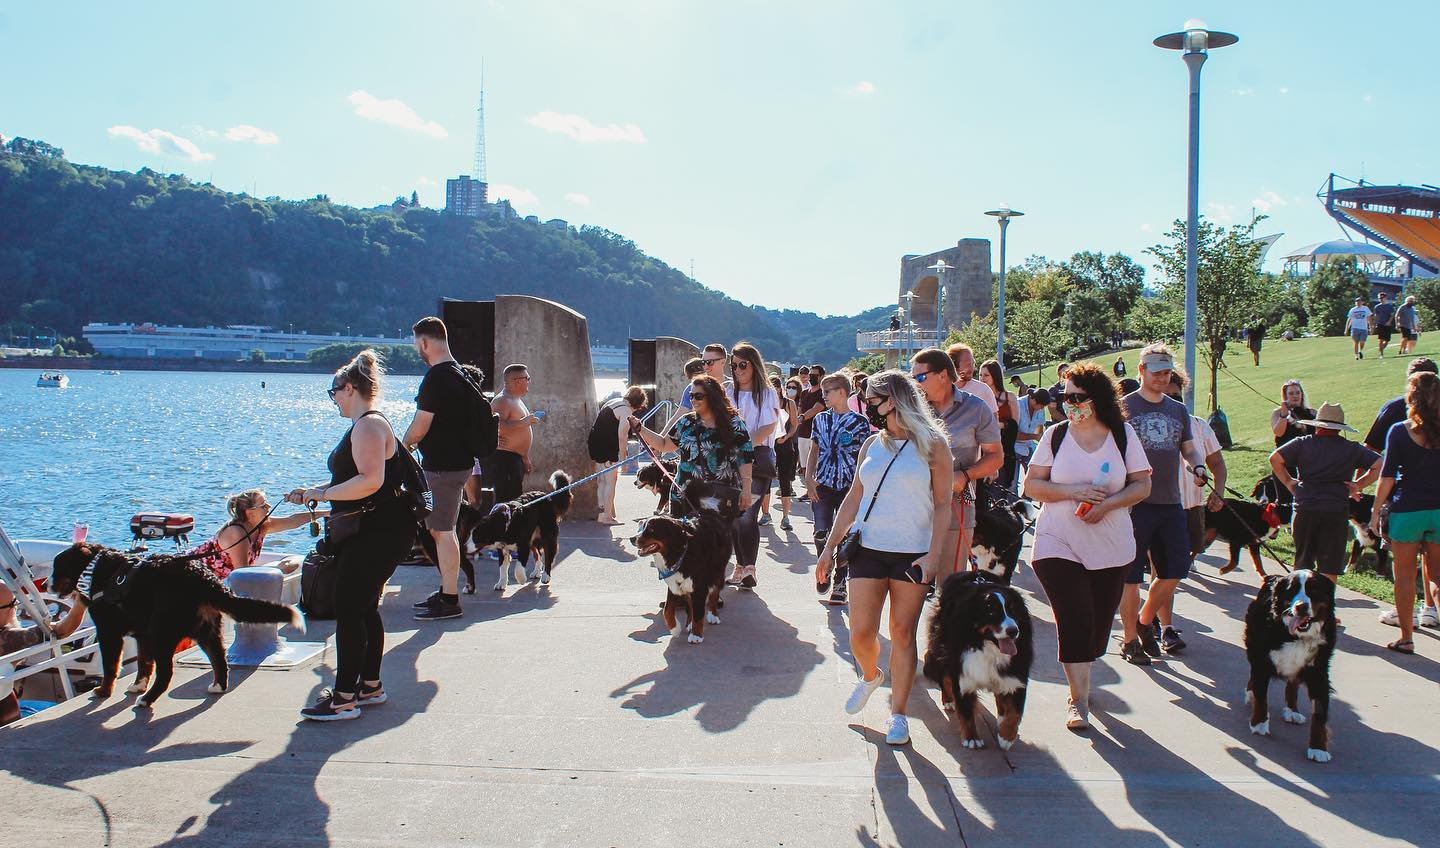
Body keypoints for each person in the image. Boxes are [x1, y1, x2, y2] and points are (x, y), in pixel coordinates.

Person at [814, 370, 953, 746]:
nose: (867, 405)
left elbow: (943, 504)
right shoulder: (872, 444)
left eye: (871, 398)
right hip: (869, 548)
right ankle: (872, 674)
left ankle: (899, 714)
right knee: (860, 632)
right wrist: (829, 547)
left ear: (892, 401)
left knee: (902, 634)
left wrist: (934, 555)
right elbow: (854, 498)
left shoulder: (933, 444)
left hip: (913, 554)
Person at [288, 350, 416, 720]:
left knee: (348, 608)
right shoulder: (370, 425)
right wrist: (314, 490)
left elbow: (371, 481)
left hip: (374, 532)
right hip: (380, 529)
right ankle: (369, 686)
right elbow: (364, 480)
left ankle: (344, 698)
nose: (333, 400)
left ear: (349, 388)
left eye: (333, 392)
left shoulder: (368, 426)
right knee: (362, 607)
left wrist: (322, 494)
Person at [1024, 361, 1152, 730]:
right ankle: (1077, 699)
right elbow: (1032, 486)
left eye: (1075, 397)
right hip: (1057, 541)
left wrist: (1107, 504)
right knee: (1074, 616)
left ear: (1095, 400)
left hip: (1111, 545)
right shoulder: (1056, 436)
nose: (1067, 403)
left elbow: (1142, 486)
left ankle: (1086, 667)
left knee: (1097, 626)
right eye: (1063, 396)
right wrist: (1071, 492)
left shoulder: (1122, 436)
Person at [1119, 344, 1207, 665]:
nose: (1161, 378)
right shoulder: (1124, 408)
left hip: (1170, 502)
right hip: (1134, 504)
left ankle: (1144, 622)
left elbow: (1190, 449)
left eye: (1167, 373)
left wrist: (1198, 466)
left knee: (1175, 570)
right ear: (1141, 370)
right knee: (1131, 577)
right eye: (1156, 372)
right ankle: (1130, 641)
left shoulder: (1177, 410)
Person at [404, 317, 476, 622]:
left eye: (417, 345)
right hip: (459, 463)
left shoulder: (436, 378)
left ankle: (450, 599)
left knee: (442, 532)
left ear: (424, 342)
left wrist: (401, 446)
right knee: (442, 530)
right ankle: (447, 591)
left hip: (443, 468)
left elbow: (420, 426)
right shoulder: (461, 374)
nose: (418, 351)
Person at [911, 348, 1003, 579]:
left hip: (957, 506)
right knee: (910, 588)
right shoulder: (911, 411)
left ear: (942, 375)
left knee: (949, 586)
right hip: (912, 506)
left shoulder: (977, 408)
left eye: (919, 377)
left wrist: (966, 475)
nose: (915, 384)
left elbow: (995, 456)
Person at [1364, 358, 1440, 628]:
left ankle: (1406, 637)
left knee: (1405, 575)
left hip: (1407, 509)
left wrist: (1374, 512)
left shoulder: (1399, 429)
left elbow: (1386, 476)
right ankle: (1431, 610)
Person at [1270, 403, 1381, 580]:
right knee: (1330, 566)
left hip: (1305, 507)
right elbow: (1379, 464)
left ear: (1318, 426)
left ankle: (1303, 602)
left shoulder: (1303, 443)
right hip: (1335, 510)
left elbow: (1275, 458)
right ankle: (1326, 603)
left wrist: (1290, 483)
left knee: (1303, 562)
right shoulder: (1350, 448)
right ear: (1339, 429)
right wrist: (1358, 485)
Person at [630, 374, 754, 521]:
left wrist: (747, 489)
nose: (693, 400)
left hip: (719, 496)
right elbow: (663, 444)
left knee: (717, 541)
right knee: (682, 541)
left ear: (713, 396)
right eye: (691, 396)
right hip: (684, 494)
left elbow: (745, 457)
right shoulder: (686, 422)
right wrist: (641, 429)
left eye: (699, 396)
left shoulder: (734, 423)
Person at [806, 372, 871, 604]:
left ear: (841, 393)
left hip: (849, 487)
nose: (823, 396)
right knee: (821, 533)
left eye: (827, 392)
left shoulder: (860, 423)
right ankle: (824, 565)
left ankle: (840, 583)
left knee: (844, 536)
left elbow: (864, 456)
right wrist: (808, 475)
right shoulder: (820, 419)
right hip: (823, 483)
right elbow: (814, 449)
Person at [726, 342, 781, 587]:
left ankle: (749, 568)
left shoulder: (767, 393)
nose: (738, 370)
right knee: (735, 517)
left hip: (757, 461)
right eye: (734, 365)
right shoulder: (729, 392)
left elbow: (769, 426)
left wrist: (744, 445)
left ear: (754, 365)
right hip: (730, 462)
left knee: (748, 514)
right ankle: (740, 567)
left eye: (742, 365)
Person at [187, 489, 323, 580]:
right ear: (249, 513)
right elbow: (242, 573)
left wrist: (327, 513)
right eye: (263, 505)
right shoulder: (236, 533)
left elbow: (293, 520)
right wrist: (277, 569)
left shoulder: (261, 525)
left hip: (217, 580)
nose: (269, 507)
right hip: (192, 576)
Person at [1166, 374, 1226, 577]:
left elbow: (1217, 463)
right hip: (1159, 506)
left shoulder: (1199, 425)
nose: (1173, 400)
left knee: (1183, 558)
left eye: (1177, 395)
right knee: (1167, 567)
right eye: (1167, 395)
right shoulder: (1145, 427)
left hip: (1192, 505)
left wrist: (1218, 491)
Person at [484, 364, 541, 503]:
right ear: (517, 381)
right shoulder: (502, 400)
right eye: (527, 378)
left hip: (514, 458)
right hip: (504, 459)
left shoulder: (516, 399)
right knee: (506, 501)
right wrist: (524, 422)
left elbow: (519, 432)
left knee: (515, 499)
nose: (529, 381)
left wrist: (525, 457)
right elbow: (495, 426)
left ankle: (512, 524)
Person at [591, 386, 647, 525]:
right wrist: (624, 461)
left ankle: (602, 513)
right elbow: (622, 437)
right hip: (607, 447)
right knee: (611, 482)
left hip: (594, 443)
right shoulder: (626, 411)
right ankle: (607, 517)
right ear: (638, 404)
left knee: (602, 481)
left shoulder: (614, 401)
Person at [979, 359, 1020, 490]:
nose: (982, 379)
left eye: (986, 375)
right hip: (981, 453)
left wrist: (1000, 425)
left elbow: (1015, 426)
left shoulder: (1010, 398)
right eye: (980, 375)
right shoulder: (976, 398)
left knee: (1002, 492)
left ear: (995, 376)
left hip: (1004, 452)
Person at [768, 375, 802, 530]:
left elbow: (794, 425)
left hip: (785, 445)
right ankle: (765, 514)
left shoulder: (789, 403)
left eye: (775, 387)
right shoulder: (763, 403)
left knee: (784, 481)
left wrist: (786, 437)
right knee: (766, 481)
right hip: (767, 445)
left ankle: (786, 517)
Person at [795, 364, 827, 488]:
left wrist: (802, 417)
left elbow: (816, 409)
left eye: (815, 375)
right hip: (802, 432)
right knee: (804, 465)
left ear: (822, 376)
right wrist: (798, 419)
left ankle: (814, 490)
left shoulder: (823, 393)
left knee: (814, 464)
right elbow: (800, 408)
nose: (812, 377)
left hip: (816, 434)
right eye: (811, 374)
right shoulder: (804, 393)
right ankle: (809, 489)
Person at [945, 343, 999, 414]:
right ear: (954, 365)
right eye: (968, 364)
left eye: (973, 364)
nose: (972, 368)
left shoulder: (983, 390)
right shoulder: (940, 390)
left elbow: (994, 419)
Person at [1012, 387, 1051, 478]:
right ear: (1033, 400)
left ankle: (1027, 492)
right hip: (1013, 448)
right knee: (1013, 483)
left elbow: (1039, 430)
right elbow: (1013, 435)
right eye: (1041, 406)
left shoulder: (1040, 409)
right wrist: (1035, 437)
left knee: (1035, 477)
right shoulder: (1017, 405)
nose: (1042, 408)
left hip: (1028, 446)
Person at [1271, 379, 1315, 448]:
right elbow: (1278, 433)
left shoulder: (1312, 412)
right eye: (1291, 393)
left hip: (1307, 451)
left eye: (1298, 393)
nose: (1295, 396)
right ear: (1285, 396)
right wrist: (1283, 415)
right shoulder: (1278, 412)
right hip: (1286, 452)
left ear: (1302, 394)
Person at [681, 345, 727, 409]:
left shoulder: (733, 386)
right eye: (703, 362)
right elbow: (681, 414)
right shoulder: (693, 387)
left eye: (709, 362)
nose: (705, 366)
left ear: (723, 361)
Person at [1345, 296, 1373, 360]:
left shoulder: (1365, 308)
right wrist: (1346, 329)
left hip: (1364, 328)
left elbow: (1369, 318)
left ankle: (1360, 351)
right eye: (1357, 301)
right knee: (1356, 342)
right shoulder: (1353, 310)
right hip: (1355, 328)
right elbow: (1349, 320)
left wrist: (1371, 327)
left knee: (1362, 342)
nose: (1358, 303)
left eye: (1359, 301)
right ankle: (1356, 355)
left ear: (1362, 302)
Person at [1372, 291, 1397, 358]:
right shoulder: (1377, 307)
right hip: (1380, 324)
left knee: (1387, 340)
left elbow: (1392, 315)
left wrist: (1389, 321)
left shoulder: (1390, 306)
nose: (1380, 299)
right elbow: (1375, 316)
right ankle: (1381, 354)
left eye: (1382, 297)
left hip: (1387, 325)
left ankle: (1381, 349)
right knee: (1381, 339)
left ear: (1385, 298)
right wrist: (1374, 324)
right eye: (1379, 298)